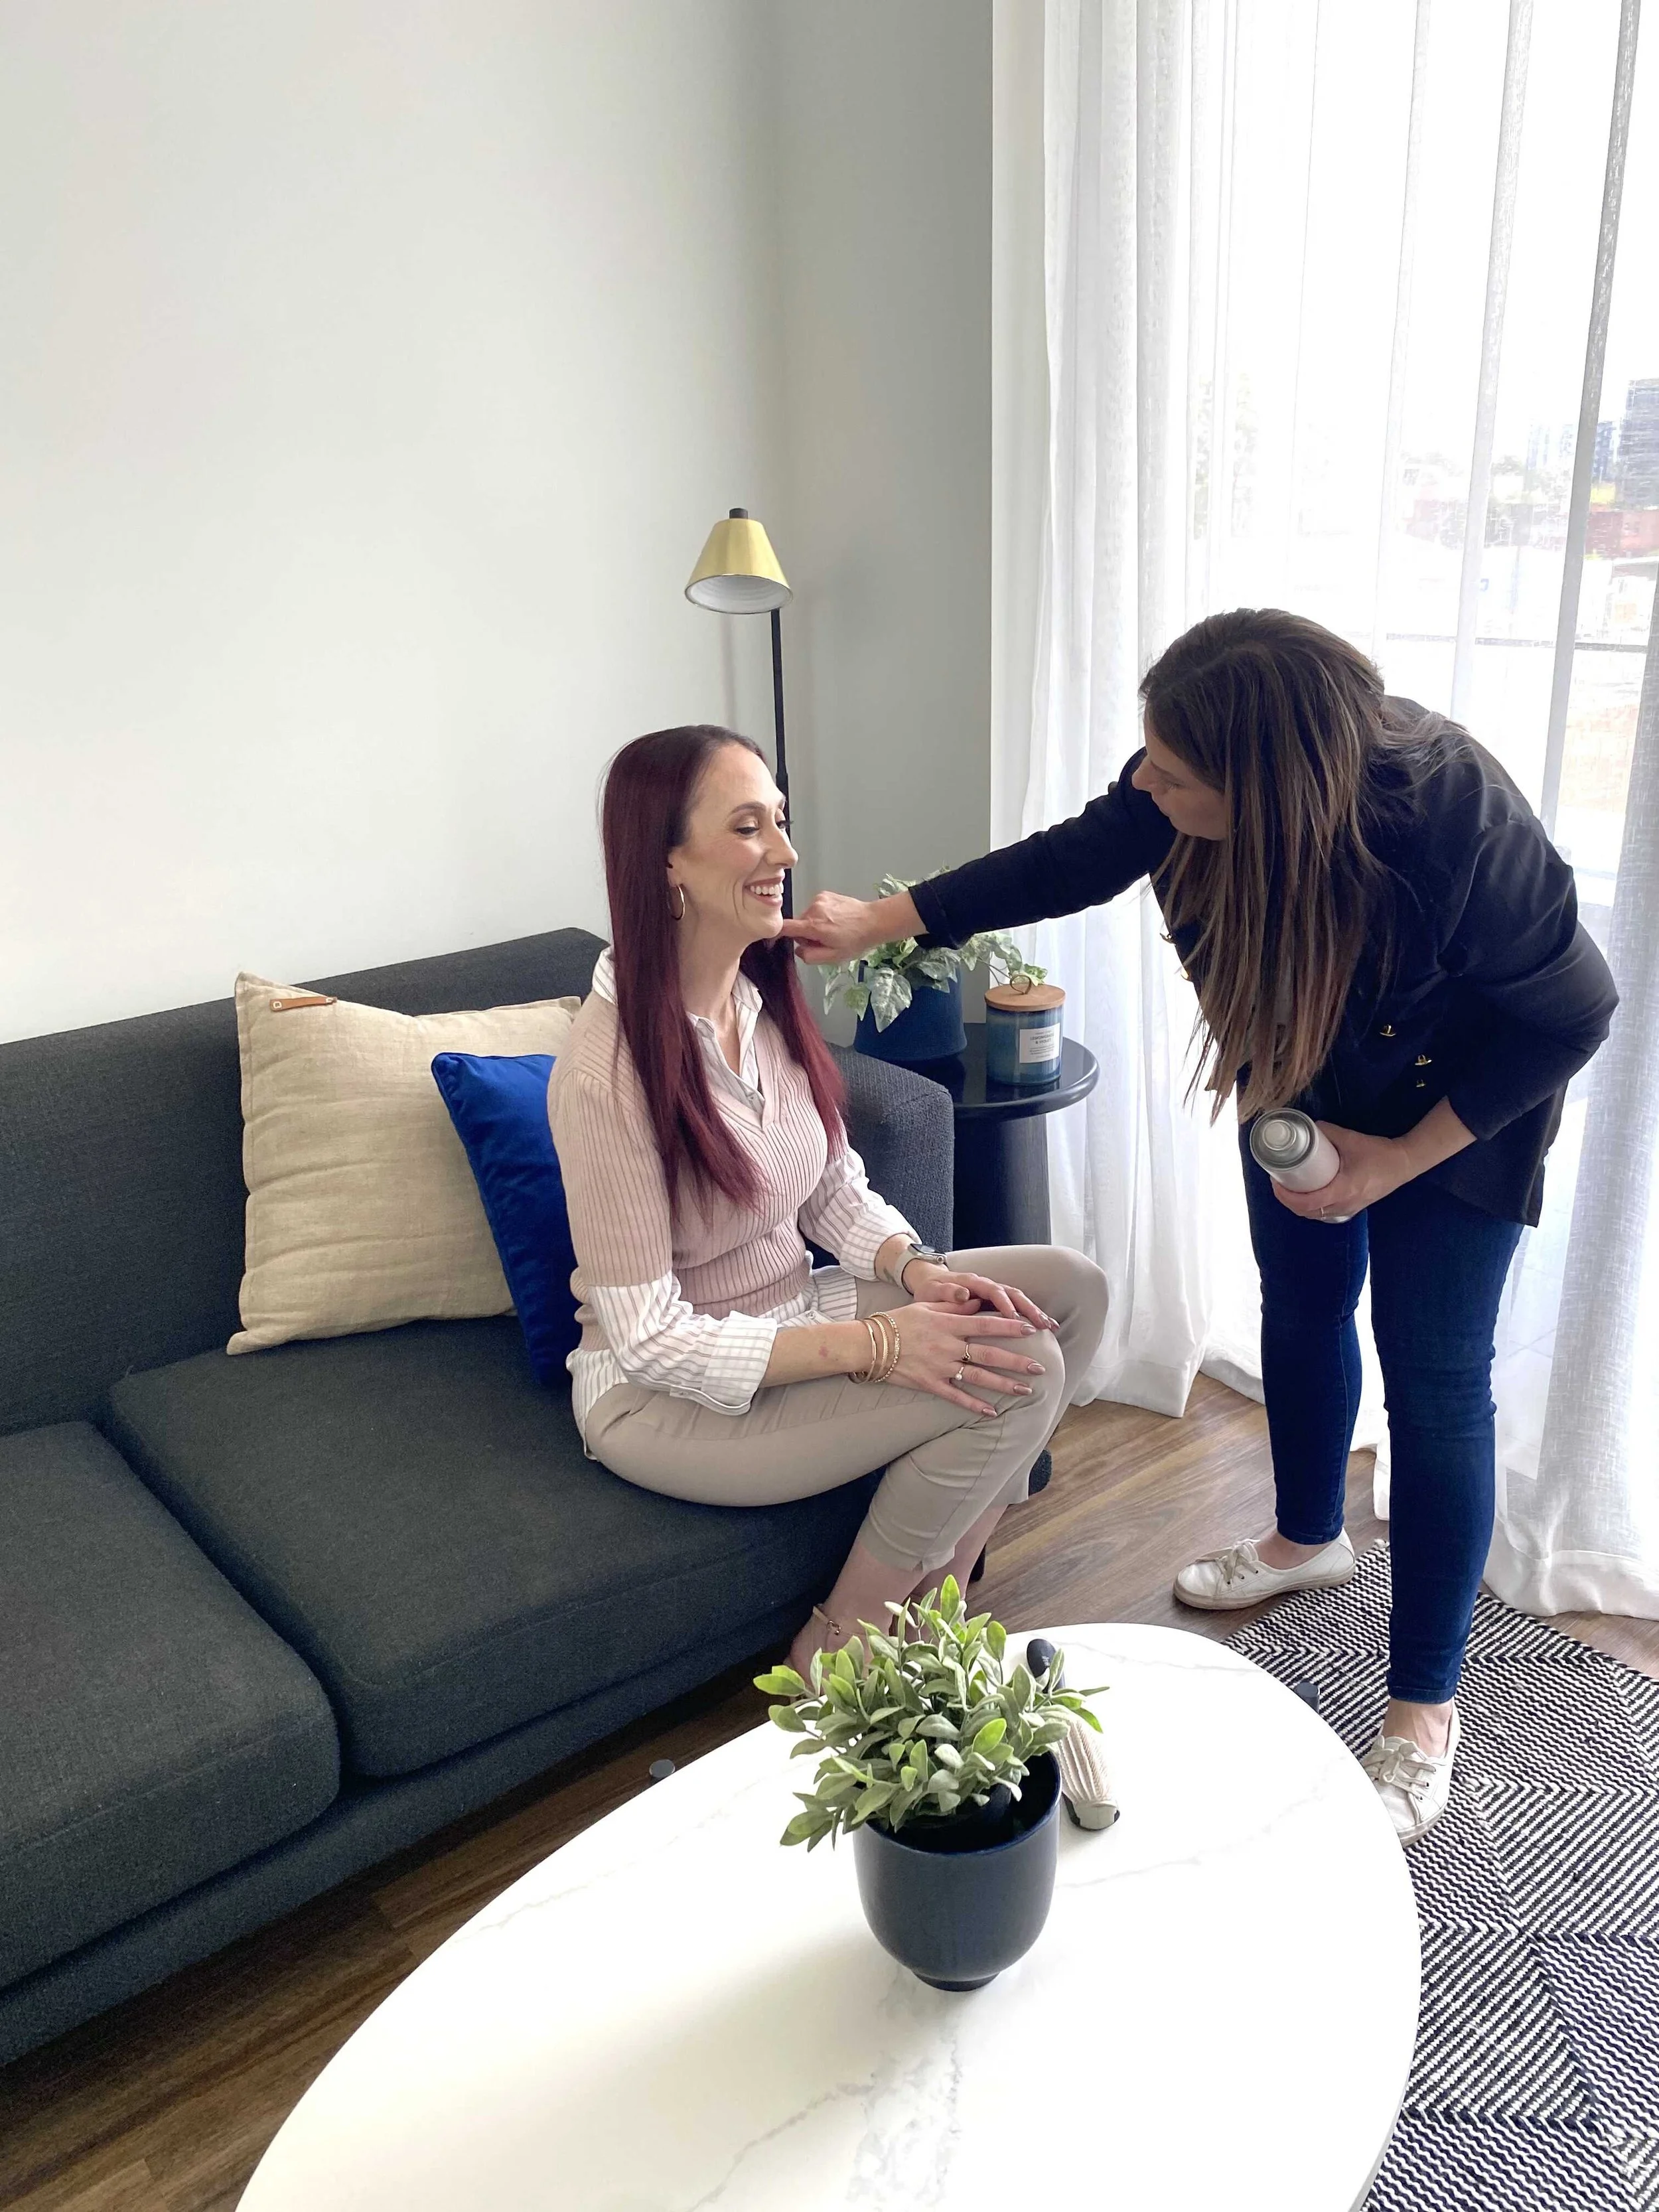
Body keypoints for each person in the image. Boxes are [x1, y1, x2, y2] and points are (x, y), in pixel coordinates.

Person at [786, 609, 1617, 1843]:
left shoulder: (1459, 822)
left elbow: (1577, 1011)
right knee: (1302, 1301)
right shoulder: (1176, 791)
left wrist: (1398, 1160)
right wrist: (879, 922)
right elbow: (1067, 860)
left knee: (1439, 1382)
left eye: (1174, 776)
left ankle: (1424, 1710)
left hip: (1457, 1111)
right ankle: (1307, 1535)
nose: (1148, 790)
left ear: (1270, 789)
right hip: (1299, 1074)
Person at [549, 724, 1108, 1680]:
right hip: (665, 1396)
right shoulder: (604, 1076)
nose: (786, 852)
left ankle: (937, 1613)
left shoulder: (762, 999)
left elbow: (832, 1189)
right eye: (748, 827)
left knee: (1072, 1292)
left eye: (781, 820)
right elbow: (647, 1339)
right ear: (668, 862)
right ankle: (840, 1649)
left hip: (796, 1309)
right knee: (1019, 1367)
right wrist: (880, 1343)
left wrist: (918, 1274)